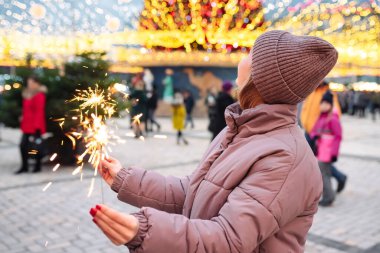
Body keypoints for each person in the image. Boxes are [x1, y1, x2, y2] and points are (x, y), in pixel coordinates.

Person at [91, 30, 338, 253]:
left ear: (262, 79)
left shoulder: (285, 158)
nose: (242, 57)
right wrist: (126, 179)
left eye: (251, 53)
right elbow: (194, 192)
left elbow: (228, 238)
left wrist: (144, 230)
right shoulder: (240, 129)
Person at [301, 80, 347, 193]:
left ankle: (339, 177)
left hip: (319, 134)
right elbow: (305, 109)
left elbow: (335, 113)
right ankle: (313, 184)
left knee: (320, 162)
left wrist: (324, 130)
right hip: (309, 132)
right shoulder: (311, 90)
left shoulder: (327, 93)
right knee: (310, 161)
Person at [310, 91, 342, 207]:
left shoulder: (333, 119)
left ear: (330, 105)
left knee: (324, 175)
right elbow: (315, 130)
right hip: (320, 150)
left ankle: (329, 196)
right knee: (323, 174)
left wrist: (334, 153)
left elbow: (338, 137)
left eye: (325, 103)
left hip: (327, 152)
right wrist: (313, 137)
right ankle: (328, 195)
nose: (323, 105)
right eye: (321, 103)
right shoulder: (321, 117)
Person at [15, 75, 47, 174]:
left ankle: (37, 165)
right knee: (23, 146)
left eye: (32, 83)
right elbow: (26, 109)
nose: (30, 85)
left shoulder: (39, 95)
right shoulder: (26, 94)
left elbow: (39, 111)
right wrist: (22, 116)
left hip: (35, 125)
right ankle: (24, 166)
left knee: (35, 146)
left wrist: (37, 127)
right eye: (29, 83)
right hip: (27, 124)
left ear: (37, 83)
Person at [130, 74, 147, 138]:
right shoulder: (143, 93)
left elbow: (129, 97)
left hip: (135, 109)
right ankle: (142, 132)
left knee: (135, 121)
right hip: (142, 109)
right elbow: (146, 101)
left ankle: (136, 133)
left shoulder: (134, 92)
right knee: (142, 121)